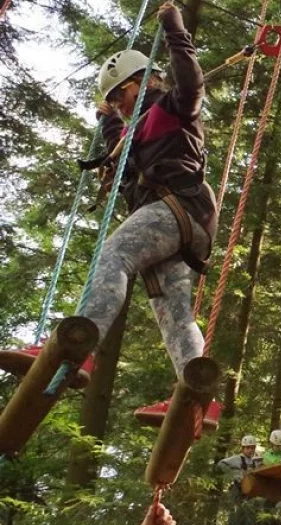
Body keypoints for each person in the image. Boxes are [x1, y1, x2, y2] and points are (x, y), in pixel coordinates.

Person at [6, 1, 220, 429]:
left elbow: (191, 80)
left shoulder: (170, 107)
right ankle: (199, 399)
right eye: (113, 101)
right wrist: (105, 119)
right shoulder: (134, 129)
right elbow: (119, 147)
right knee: (173, 309)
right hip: (178, 221)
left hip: (178, 207)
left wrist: (173, 26)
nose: (119, 106)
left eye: (120, 95)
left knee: (115, 254)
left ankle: (77, 348)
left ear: (142, 82)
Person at [218, 435, 263, 525]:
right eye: (248, 448)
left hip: (251, 493)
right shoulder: (237, 459)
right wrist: (234, 474)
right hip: (238, 491)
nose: (250, 450)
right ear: (243, 448)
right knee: (236, 514)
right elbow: (221, 464)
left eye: (252, 448)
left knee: (250, 514)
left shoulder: (256, 461)